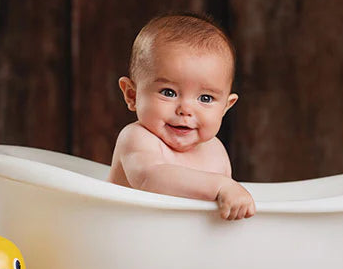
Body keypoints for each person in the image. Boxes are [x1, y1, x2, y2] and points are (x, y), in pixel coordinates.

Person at [108, 13, 256, 220]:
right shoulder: (136, 138)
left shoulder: (214, 150)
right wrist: (221, 186)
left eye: (205, 98)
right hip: (126, 239)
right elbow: (150, 178)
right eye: (168, 92)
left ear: (225, 106)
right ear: (132, 95)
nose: (185, 109)